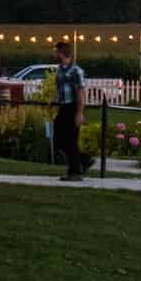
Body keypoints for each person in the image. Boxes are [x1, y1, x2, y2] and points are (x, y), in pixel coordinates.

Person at [51, 39, 88, 179]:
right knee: (59, 139)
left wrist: (79, 113)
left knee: (71, 139)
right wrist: (55, 99)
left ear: (62, 53)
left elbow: (81, 92)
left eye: (56, 52)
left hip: (72, 107)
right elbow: (59, 88)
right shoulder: (60, 69)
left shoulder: (76, 71)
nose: (55, 54)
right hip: (63, 106)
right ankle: (83, 160)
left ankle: (74, 172)